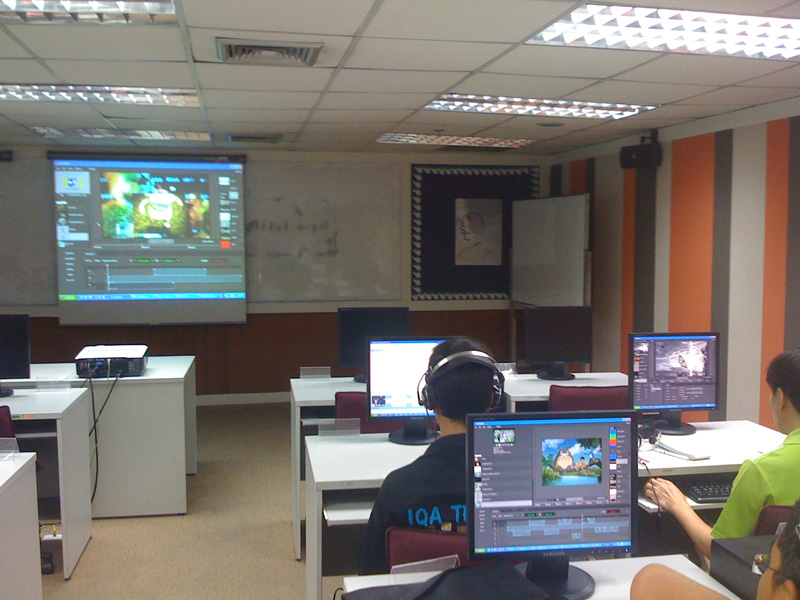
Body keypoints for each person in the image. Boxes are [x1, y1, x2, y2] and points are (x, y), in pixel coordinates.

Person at [356, 337, 502, 575]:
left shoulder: (398, 487)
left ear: (430, 400)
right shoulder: (520, 483)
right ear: (492, 399)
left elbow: (370, 572)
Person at [643, 351, 800, 560]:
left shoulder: (761, 471)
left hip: (764, 578)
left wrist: (677, 504)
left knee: (653, 571)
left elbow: (720, 551)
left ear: (781, 398)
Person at [630, 497, 800, 600]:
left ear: (786, 594)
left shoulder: (757, 469)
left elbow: (652, 580)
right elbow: (652, 579)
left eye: (766, 564)